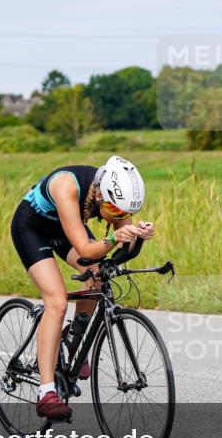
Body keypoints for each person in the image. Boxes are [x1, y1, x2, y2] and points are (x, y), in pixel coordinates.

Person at [10, 156, 156, 420]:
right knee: (56, 301)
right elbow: (87, 250)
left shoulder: (117, 199)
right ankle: (46, 393)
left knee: (98, 277)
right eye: (116, 212)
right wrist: (114, 237)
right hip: (32, 229)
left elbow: (122, 251)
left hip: (65, 229)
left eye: (126, 214)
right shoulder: (68, 187)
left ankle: (72, 339)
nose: (120, 217)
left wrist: (137, 236)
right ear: (101, 195)